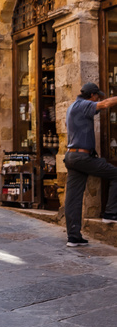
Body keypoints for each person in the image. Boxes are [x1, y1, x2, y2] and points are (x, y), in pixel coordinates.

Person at [64, 82, 117, 247]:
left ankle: (73, 237)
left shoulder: (72, 106)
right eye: (97, 96)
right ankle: (110, 213)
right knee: (116, 174)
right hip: (82, 158)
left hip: (72, 157)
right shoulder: (84, 105)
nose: (98, 99)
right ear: (92, 95)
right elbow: (106, 104)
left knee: (73, 199)